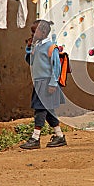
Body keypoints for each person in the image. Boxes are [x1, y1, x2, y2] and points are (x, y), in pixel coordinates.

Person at [20, 20, 67, 149]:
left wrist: (53, 83)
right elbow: (30, 61)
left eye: (35, 32)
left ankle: (35, 138)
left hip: (47, 83)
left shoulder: (51, 47)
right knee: (49, 111)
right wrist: (29, 48)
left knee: (40, 109)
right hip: (39, 82)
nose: (32, 34)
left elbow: (56, 67)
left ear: (44, 32)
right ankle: (59, 136)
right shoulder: (37, 46)